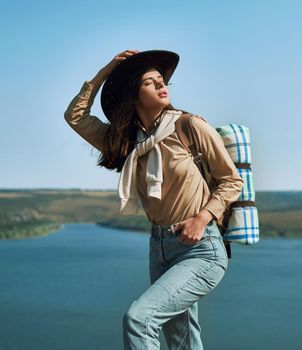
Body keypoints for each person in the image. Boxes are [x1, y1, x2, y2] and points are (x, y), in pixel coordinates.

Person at [64, 49, 244, 350]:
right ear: (133, 95)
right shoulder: (126, 142)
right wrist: (105, 73)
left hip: (202, 247)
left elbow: (231, 180)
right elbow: (76, 116)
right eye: (151, 82)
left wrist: (202, 218)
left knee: (139, 319)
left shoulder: (190, 126)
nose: (162, 86)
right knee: (182, 340)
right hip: (160, 249)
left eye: (163, 81)